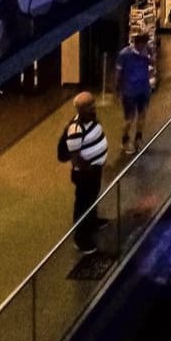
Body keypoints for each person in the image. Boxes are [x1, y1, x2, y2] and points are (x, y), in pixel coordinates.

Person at [60, 91, 108, 254]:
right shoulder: (75, 129)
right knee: (83, 204)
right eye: (88, 106)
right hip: (85, 174)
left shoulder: (91, 121)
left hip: (94, 171)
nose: (93, 107)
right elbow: (75, 158)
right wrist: (90, 169)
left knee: (92, 198)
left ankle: (93, 221)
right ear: (79, 110)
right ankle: (80, 238)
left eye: (93, 104)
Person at [114, 32, 153, 154]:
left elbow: (153, 64)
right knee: (129, 119)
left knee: (142, 115)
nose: (143, 47)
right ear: (137, 43)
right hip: (129, 91)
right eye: (142, 44)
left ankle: (138, 138)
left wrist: (149, 56)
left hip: (144, 89)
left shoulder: (147, 51)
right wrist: (116, 91)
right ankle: (124, 140)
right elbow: (118, 74)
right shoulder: (124, 54)